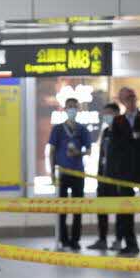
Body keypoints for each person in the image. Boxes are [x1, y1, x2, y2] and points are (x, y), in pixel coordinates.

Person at [107, 87, 140, 256]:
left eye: (133, 97)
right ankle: (131, 244)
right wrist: (113, 174)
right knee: (126, 209)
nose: (131, 100)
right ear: (121, 101)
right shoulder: (117, 121)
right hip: (124, 171)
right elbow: (115, 147)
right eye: (127, 98)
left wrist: (135, 138)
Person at [47, 98, 93, 251]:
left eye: (74, 107)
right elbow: (52, 152)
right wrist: (52, 172)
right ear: (65, 109)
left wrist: (78, 153)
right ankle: (63, 239)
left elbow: (89, 151)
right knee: (62, 209)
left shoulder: (82, 130)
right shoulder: (58, 129)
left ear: (78, 109)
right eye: (69, 107)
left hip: (78, 172)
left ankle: (75, 240)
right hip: (62, 173)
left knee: (77, 209)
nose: (72, 109)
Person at [88, 103, 122, 251]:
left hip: (117, 178)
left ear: (117, 114)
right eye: (105, 114)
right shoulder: (106, 131)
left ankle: (119, 240)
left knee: (120, 211)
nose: (106, 116)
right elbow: (102, 155)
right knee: (101, 209)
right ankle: (102, 239)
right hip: (103, 177)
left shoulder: (122, 131)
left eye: (109, 113)